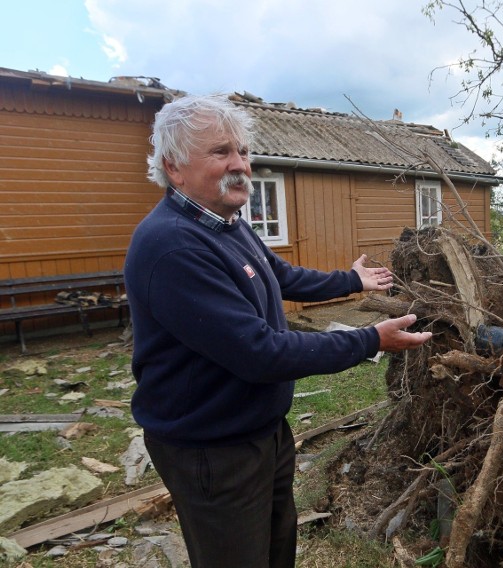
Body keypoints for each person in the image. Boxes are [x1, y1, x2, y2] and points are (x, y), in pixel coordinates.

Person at [124, 93, 431, 568]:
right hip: (211, 447)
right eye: (220, 152)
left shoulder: (226, 222)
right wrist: (372, 339)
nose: (241, 165)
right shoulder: (172, 247)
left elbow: (280, 276)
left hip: (258, 429)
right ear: (175, 166)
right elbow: (260, 353)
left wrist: (351, 280)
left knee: (275, 549)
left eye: (243, 152)